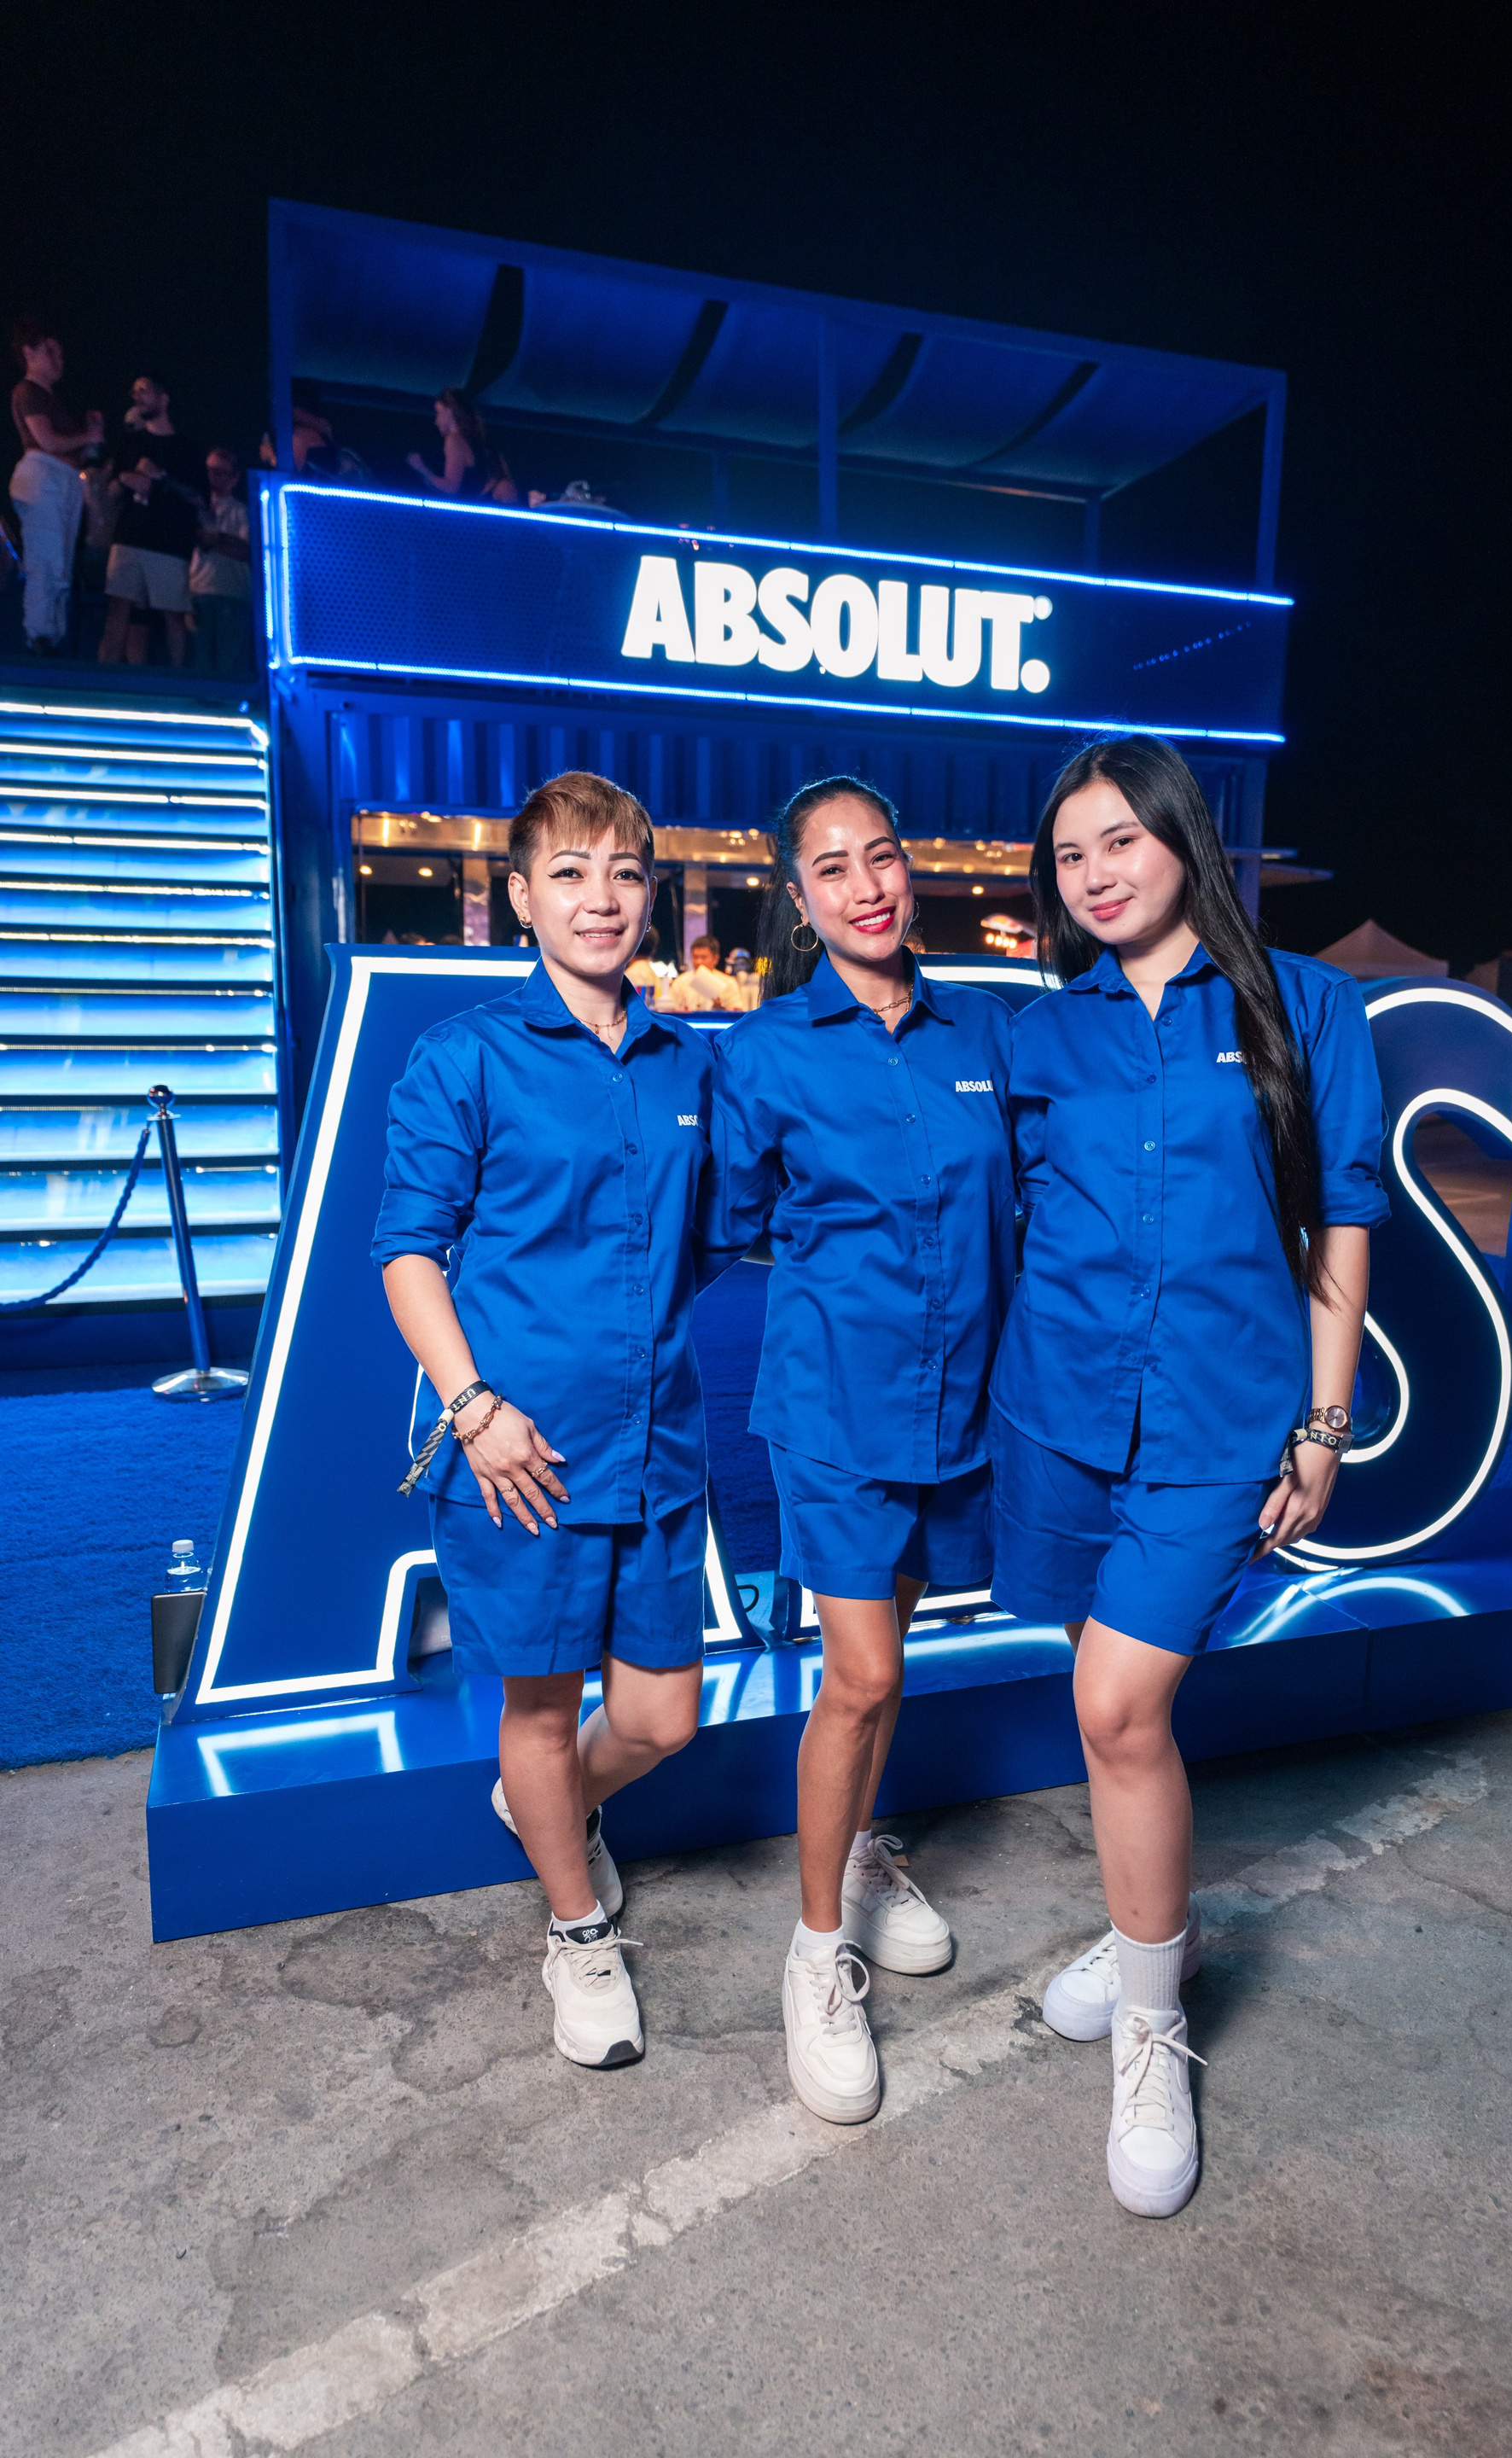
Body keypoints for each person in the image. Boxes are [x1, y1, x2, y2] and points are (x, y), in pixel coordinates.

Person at [990, 733, 1387, 2219]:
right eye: (1069, 854)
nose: (1096, 874)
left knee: (1116, 1705)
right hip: (1060, 1416)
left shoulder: (1306, 1004)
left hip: (1222, 1423)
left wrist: (1325, 1425)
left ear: (1185, 841)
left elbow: (1341, 1220)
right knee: (1111, 1716)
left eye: (1121, 840)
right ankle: (1152, 1926)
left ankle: (1154, 2029)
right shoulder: (1041, 1035)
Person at [373, 772, 720, 2071]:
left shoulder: (689, 1065)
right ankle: (577, 1931)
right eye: (570, 873)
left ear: (652, 895)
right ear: (521, 899)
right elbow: (407, 1251)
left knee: (664, 1718)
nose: (600, 898)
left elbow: (714, 1240)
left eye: (625, 872)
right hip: (523, 1454)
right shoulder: (465, 1056)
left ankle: (547, 1809)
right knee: (538, 1704)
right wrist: (475, 1409)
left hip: (661, 1442)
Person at [709, 778, 1016, 2124]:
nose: (866, 886)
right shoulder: (765, 1053)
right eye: (831, 869)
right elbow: (720, 1220)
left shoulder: (985, 1030)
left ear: (910, 868)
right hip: (834, 1407)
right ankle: (817, 1950)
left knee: (893, 1651)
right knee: (864, 1671)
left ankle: (860, 1851)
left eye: (880, 857)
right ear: (800, 899)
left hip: (958, 1411)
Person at [9, 322, 102, 653]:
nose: (59, 360)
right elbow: (46, 441)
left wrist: (90, 436)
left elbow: (79, 453)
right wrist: (88, 436)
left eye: (60, 354)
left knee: (59, 562)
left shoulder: (50, 399)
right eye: (50, 352)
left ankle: (52, 635)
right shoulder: (28, 391)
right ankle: (39, 635)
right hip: (43, 478)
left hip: (61, 480)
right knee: (46, 559)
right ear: (29, 353)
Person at [100, 376, 206, 666]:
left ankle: (179, 681)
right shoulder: (130, 443)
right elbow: (111, 492)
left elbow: (199, 498)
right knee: (118, 606)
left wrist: (162, 478)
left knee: (173, 614)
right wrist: (125, 479)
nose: (137, 396)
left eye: (144, 390)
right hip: (129, 537)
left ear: (163, 398)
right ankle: (104, 677)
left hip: (169, 542)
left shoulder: (186, 447)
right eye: (134, 391)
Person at [188, 448, 253, 673]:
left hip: (232, 594)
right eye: (209, 470)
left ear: (234, 478)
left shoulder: (242, 512)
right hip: (198, 592)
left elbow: (249, 552)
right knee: (200, 663)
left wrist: (213, 540)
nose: (212, 477)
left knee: (229, 664)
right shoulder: (193, 507)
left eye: (220, 472)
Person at [408, 388, 516, 504]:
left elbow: (451, 488)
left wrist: (422, 469)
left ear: (449, 412)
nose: (436, 421)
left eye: (438, 413)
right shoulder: (476, 442)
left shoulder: (454, 441)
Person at [665, 934, 748, 1012]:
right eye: (695, 957)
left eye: (703, 957)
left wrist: (721, 1008)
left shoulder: (729, 983)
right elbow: (670, 1009)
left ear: (715, 959)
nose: (699, 962)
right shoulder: (680, 982)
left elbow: (737, 1011)